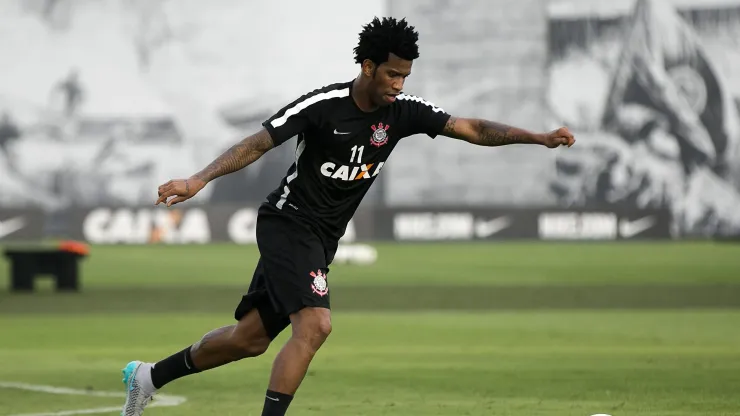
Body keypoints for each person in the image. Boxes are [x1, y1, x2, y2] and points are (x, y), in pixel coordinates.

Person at [120, 16, 575, 416]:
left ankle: (148, 377)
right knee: (316, 325)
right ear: (367, 67)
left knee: (249, 340)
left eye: (406, 76)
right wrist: (198, 180)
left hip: (321, 240)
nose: (399, 84)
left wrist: (538, 138)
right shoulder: (323, 106)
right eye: (393, 75)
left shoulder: (402, 113)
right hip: (288, 223)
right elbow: (257, 143)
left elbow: (471, 128)